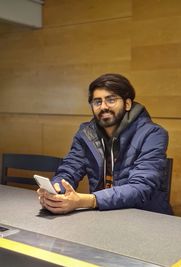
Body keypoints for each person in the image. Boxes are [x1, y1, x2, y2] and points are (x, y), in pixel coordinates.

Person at [37, 73, 173, 215]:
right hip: (103, 215)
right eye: (97, 102)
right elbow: (69, 169)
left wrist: (87, 200)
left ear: (127, 104)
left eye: (111, 100)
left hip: (145, 218)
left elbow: (141, 187)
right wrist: (55, 191)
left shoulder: (152, 134)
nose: (104, 107)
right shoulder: (86, 134)